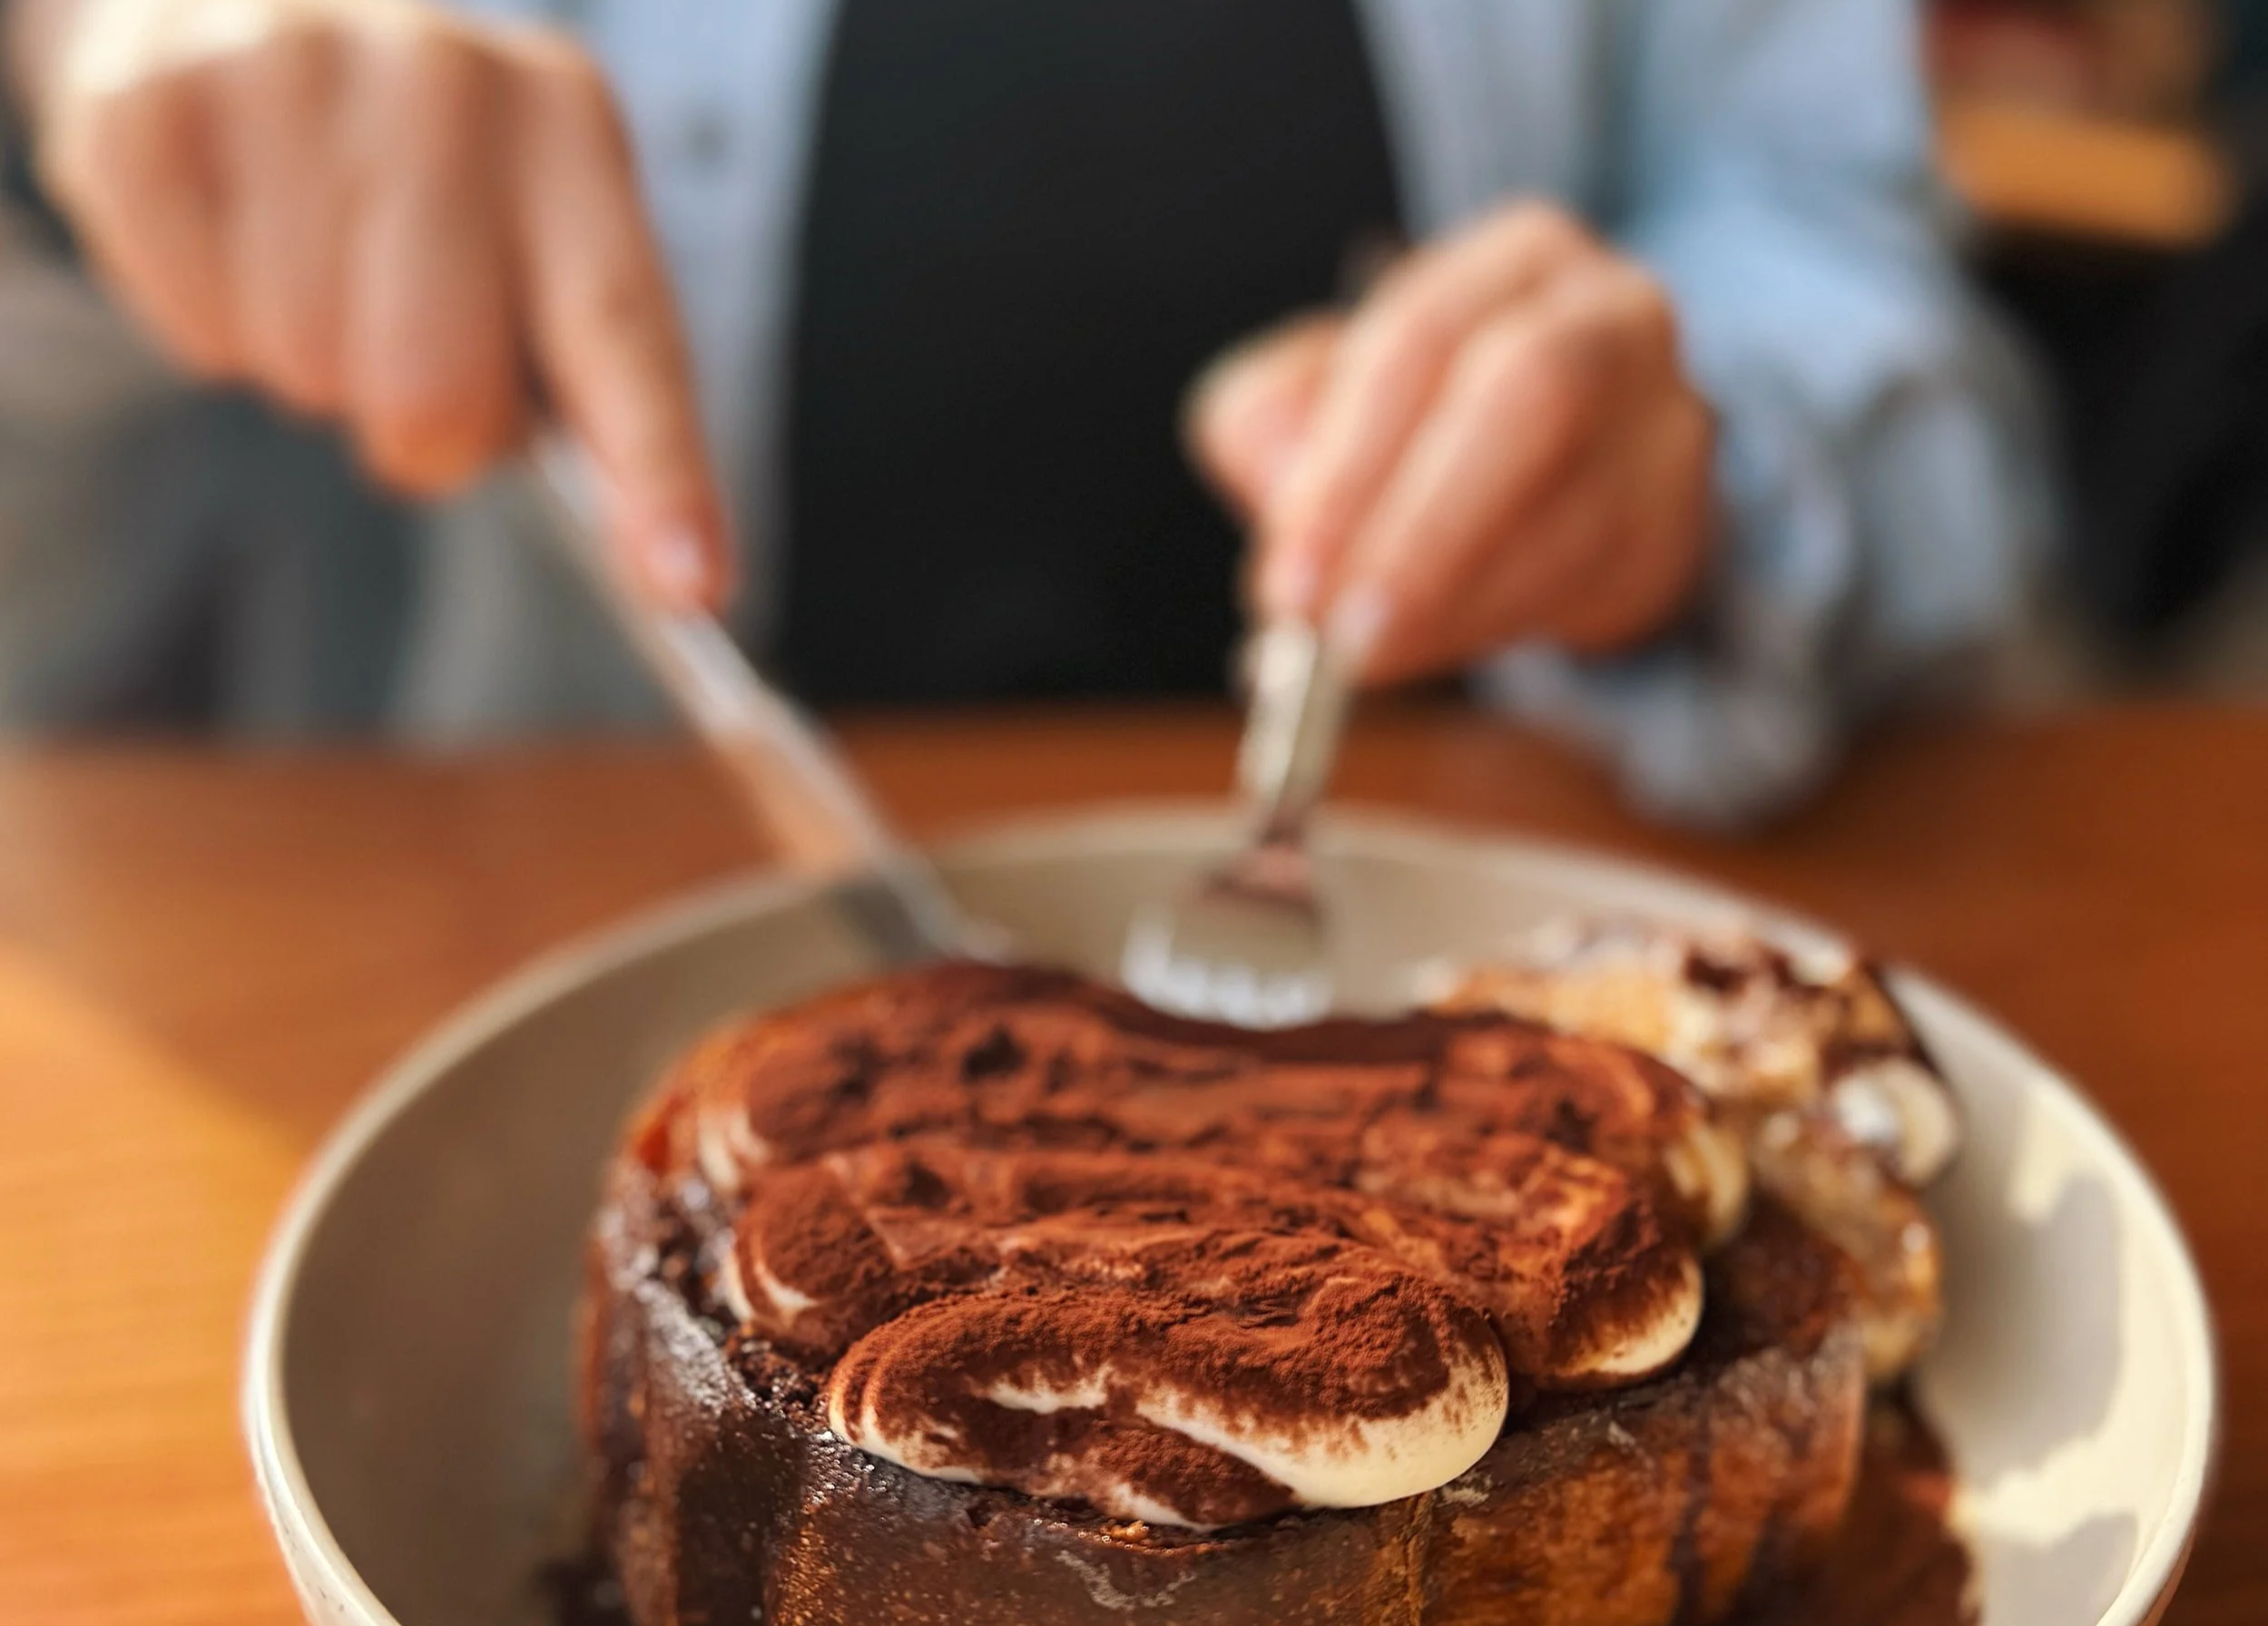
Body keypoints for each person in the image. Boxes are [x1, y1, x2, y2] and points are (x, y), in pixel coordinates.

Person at [0, 0, 2042, 825]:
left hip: (1496, 900)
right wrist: (94, 76)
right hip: (493, 927)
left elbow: (1866, 282)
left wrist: (1696, 469)